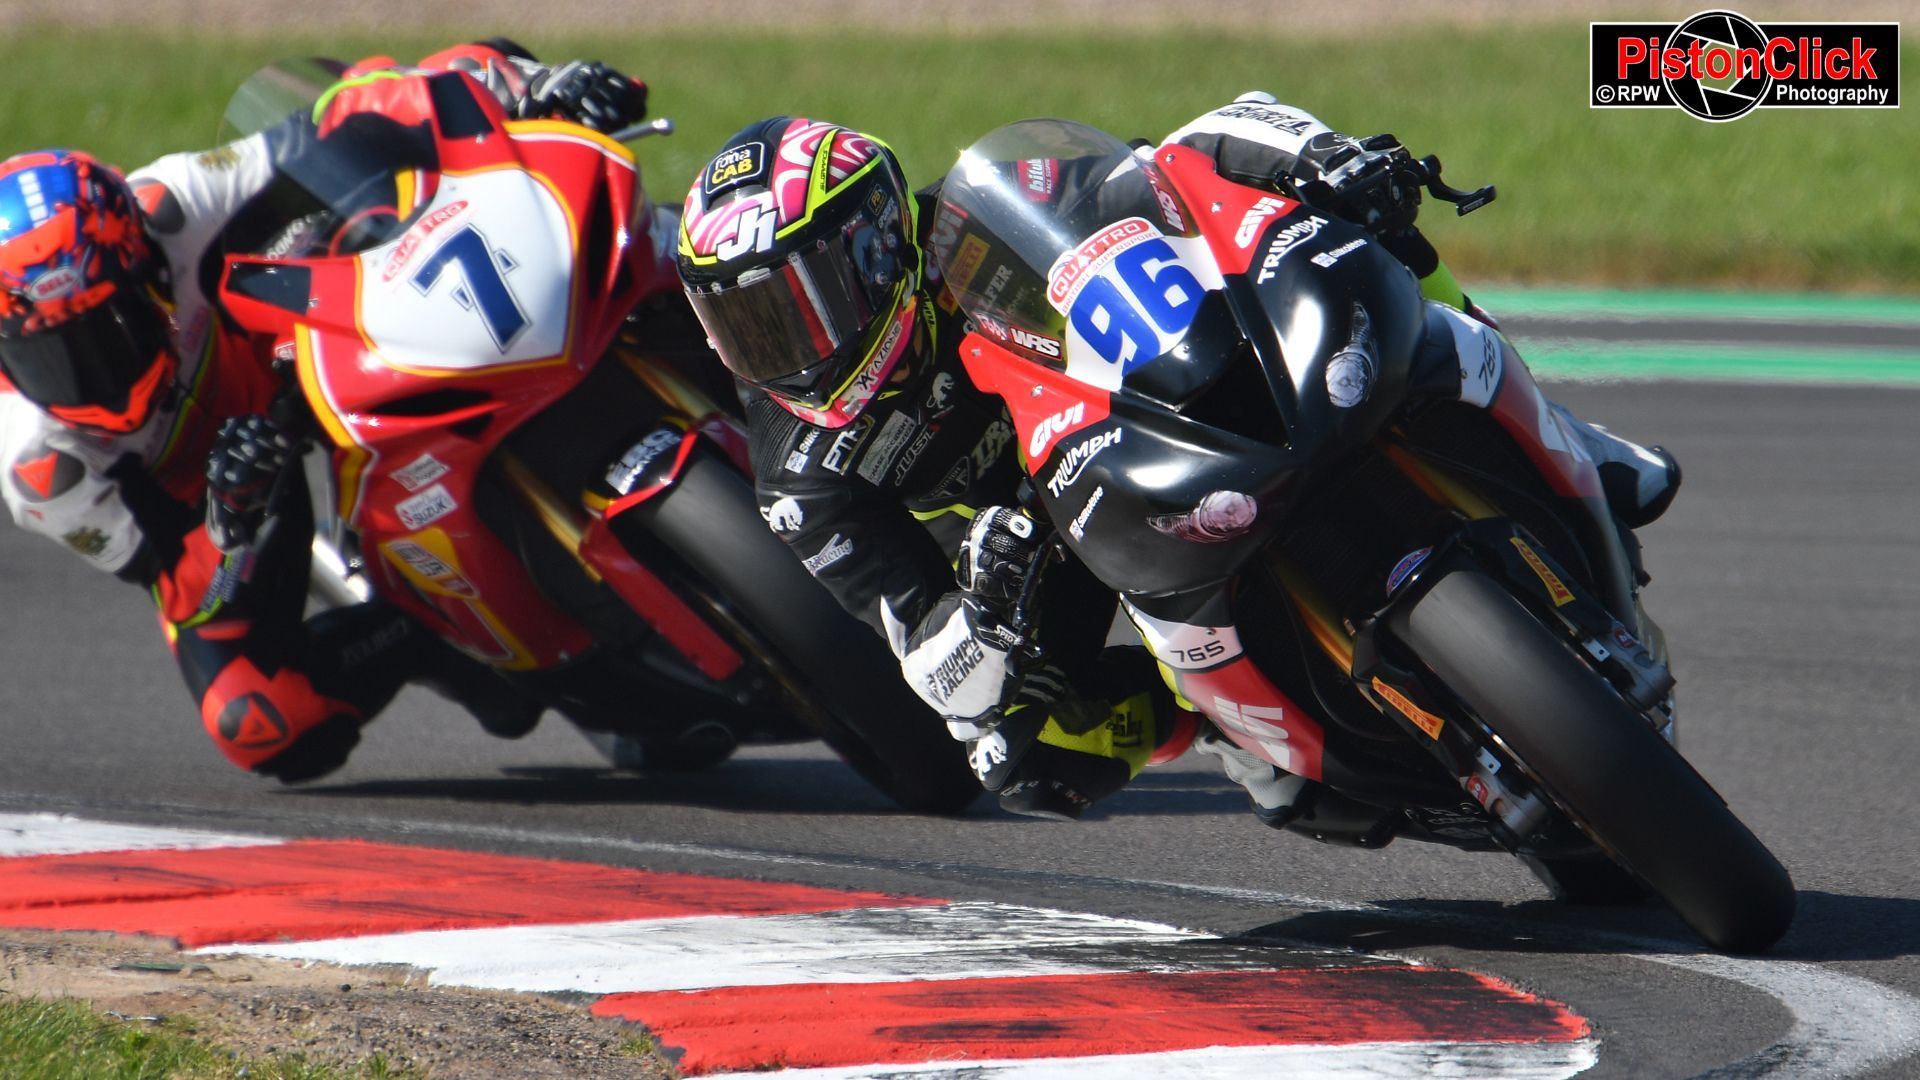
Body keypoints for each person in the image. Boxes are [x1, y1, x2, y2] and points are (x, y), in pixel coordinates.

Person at [674, 98, 1679, 822]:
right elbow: (933, 670)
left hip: (1140, 424)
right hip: (1039, 555)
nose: (786, 348)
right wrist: (980, 608)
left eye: (798, 301)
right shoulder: (801, 477)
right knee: (1013, 754)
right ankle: (1221, 729)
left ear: (878, 242)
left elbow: (1176, 155)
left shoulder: (977, 222)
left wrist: (1309, 157)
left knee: (1364, 227)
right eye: (747, 322)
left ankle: (1557, 424)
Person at [0, 40, 650, 782]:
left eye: (99, 334)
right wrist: (230, 514)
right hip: (226, 513)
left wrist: (530, 87)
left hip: (303, 356)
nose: (83, 375)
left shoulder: (171, 206)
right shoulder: (38, 467)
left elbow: (349, 110)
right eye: (42, 354)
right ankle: (431, 633)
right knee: (261, 722)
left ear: (143, 266)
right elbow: (182, 582)